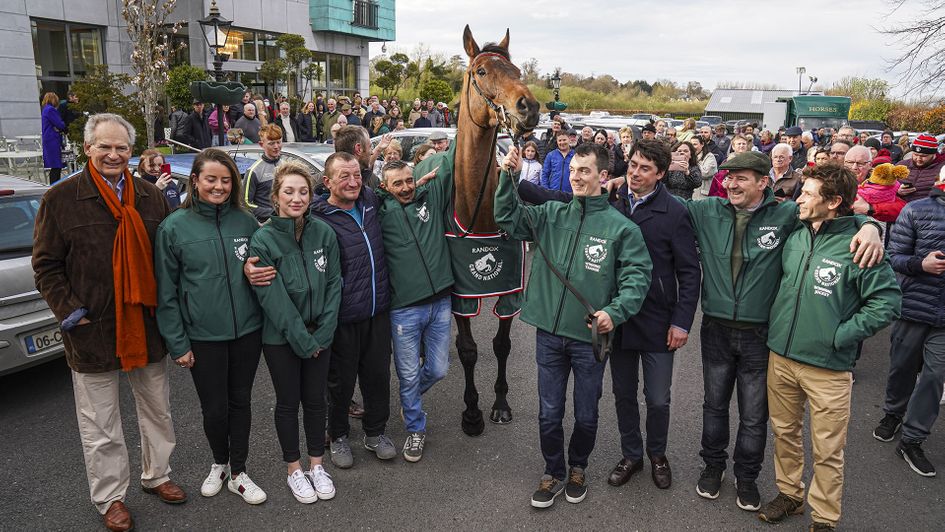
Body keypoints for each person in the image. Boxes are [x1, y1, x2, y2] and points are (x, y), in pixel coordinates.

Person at [676, 152, 884, 513]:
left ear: (763, 182)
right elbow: (663, 207)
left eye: (741, 177)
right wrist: (618, 184)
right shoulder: (707, 210)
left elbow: (841, 216)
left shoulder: (788, 214)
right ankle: (713, 467)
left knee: (756, 415)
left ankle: (746, 477)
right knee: (714, 406)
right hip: (716, 329)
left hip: (761, 335)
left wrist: (871, 226)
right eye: (728, 177)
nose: (731, 183)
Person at [516, 139, 700, 492]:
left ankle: (657, 454)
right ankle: (631, 454)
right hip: (610, 320)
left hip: (655, 317)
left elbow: (689, 272)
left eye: (645, 168)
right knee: (623, 394)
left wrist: (681, 321)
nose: (635, 173)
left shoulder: (675, 211)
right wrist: (510, 179)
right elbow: (560, 202)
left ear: (661, 174)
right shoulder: (611, 199)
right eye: (632, 165)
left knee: (658, 397)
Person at [32, 113, 185, 532]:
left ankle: (158, 476)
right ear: (88, 148)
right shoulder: (60, 198)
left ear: (131, 151)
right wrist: (70, 313)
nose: (114, 154)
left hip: (146, 325)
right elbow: (46, 266)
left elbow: (170, 260)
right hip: (92, 330)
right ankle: (110, 498)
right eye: (105, 146)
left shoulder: (152, 198)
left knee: (158, 411)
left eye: (121, 147)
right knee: (101, 424)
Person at [495, 142, 652, 508]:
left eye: (584, 171)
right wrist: (508, 177)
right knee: (549, 412)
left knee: (586, 412)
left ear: (602, 176)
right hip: (548, 335)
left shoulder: (621, 228)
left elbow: (638, 276)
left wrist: (616, 311)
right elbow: (509, 218)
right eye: (573, 171)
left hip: (589, 339)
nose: (576, 177)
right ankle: (553, 471)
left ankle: (578, 465)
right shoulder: (552, 213)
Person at [758, 162, 901, 531]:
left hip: (828, 366)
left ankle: (824, 517)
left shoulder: (858, 245)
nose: (799, 198)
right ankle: (790, 495)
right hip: (782, 356)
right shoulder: (797, 232)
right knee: (785, 434)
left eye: (807, 194)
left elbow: (886, 302)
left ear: (834, 201)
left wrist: (839, 336)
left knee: (828, 450)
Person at [153, 149, 266, 504]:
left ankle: (239, 472)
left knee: (241, 403)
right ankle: (219, 462)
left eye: (225, 180)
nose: (218, 186)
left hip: (247, 332)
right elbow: (166, 292)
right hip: (202, 337)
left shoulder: (245, 222)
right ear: (196, 181)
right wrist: (177, 343)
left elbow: (260, 271)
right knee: (214, 409)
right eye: (211, 179)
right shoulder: (173, 227)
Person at [250, 161, 342, 503]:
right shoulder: (263, 239)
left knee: (316, 401)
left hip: (321, 336)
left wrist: (324, 333)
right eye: (289, 191)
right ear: (276, 197)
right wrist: (304, 341)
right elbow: (272, 299)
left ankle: (317, 464)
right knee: (288, 403)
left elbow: (335, 283)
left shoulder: (324, 233)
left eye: (303, 191)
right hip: (282, 340)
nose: (297, 197)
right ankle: (294, 469)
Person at [311, 152, 394, 469]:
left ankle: (375, 433)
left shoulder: (370, 199)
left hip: (377, 310)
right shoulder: (317, 216)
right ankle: (340, 435)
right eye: (344, 176)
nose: (353, 182)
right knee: (340, 383)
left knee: (378, 378)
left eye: (357, 175)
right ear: (327, 182)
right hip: (343, 317)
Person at [376, 160, 452, 462]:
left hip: (440, 302)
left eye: (410, 180)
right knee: (407, 375)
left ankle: (409, 400)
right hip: (404, 309)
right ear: (385, 187)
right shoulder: (379, 213)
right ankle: (415, 428)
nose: (406, 187)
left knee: (438, 369)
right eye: (398, 183)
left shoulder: (431, 198)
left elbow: (457, 157)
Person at [874, 169, 945, 477]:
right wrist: (922, 264)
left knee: (935, 375)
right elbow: (893, 257)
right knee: (902, 367)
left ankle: (913, 438)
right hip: (913, 305)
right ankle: (893, 413)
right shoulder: (917, 210)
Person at [243, 123, 284, 222]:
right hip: (267, 224)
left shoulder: (286, 165)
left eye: (278, 142)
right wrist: (273, 213)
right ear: (262, 144)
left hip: (286, 220)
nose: (276, 146)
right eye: (271, 143)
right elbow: (245, 203)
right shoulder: (254, 171)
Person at [897, 135, 945, 202]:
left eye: (923, 156)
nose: (918, 159)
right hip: (899, 208)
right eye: (915, 154)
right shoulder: (901, 165)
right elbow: (884, 187)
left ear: (934, 154)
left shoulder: (942, 169)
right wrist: (897, 191)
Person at [40, 92, 66, 184]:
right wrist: (62, 124)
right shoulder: (51, 110)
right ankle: (55, 187)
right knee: (56, 166)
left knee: (54, 166)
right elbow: (60, 124)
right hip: (53, 140)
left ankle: (53, 186)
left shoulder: (45, 109)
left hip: (48, 139)